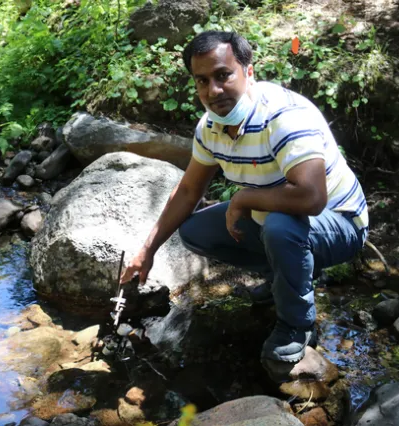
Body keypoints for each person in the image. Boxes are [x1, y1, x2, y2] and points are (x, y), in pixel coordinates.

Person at [121, 31, 369, 364]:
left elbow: (311, 198)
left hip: (341, 221)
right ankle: (286, 278)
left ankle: (296, 325)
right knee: (194, 232)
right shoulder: (210, 128)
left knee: (281, 227)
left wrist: (243, 199)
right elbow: (190, 190)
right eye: (202, 81)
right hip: (285, 219)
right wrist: (147, 250)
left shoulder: (283, 117)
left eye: (224, 75)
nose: (214, 91)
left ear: (249, 72)